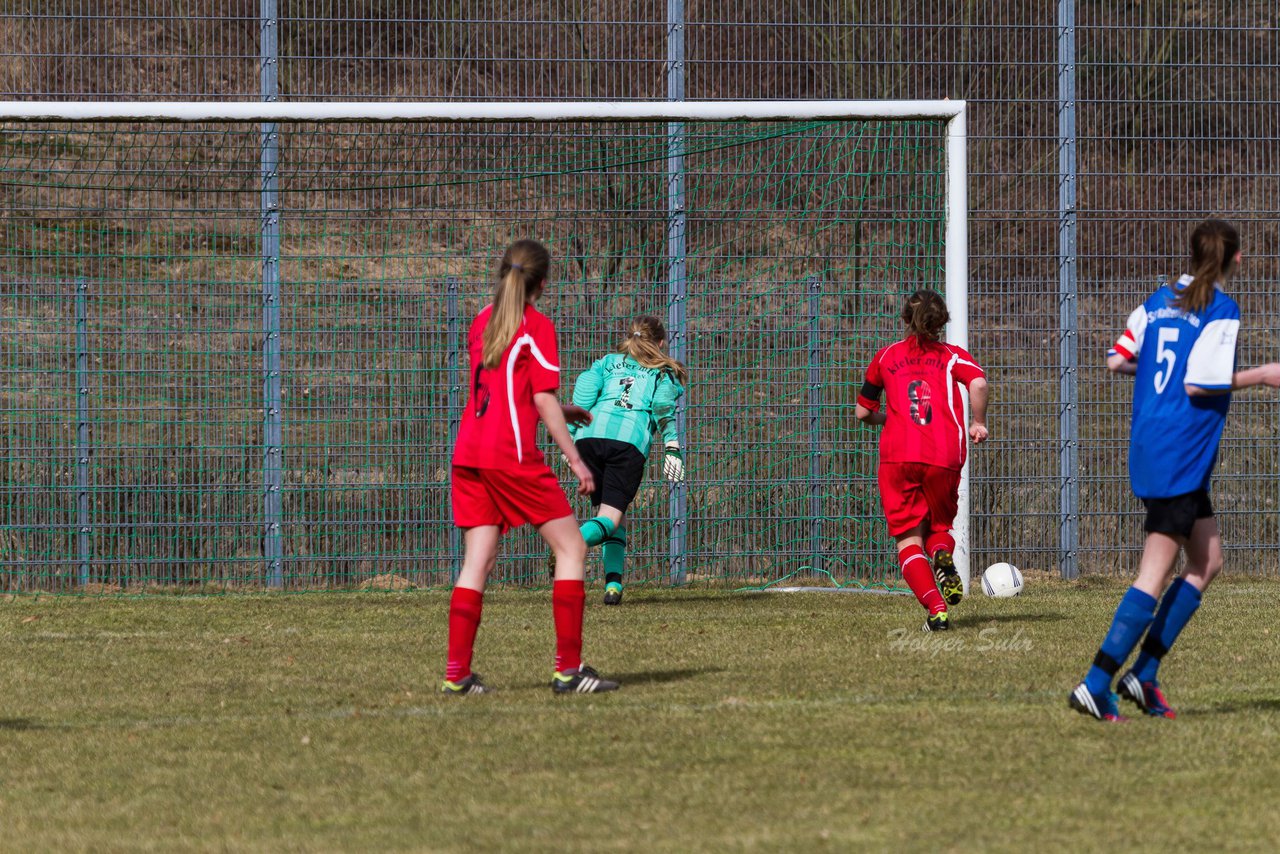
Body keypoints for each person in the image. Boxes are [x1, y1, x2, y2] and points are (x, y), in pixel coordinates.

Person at [1070, 218, 1280, 722]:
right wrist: (1265, 375)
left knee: (1207, 562)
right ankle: (1096, 682)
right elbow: (1198, 384)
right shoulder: (1220, 308)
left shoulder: (1157, 301)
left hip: (1153, 442)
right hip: (1180, 450)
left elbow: (1117, 361)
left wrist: (1158, 381)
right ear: (1236, 259)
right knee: (1154, 572)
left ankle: (1144, 675)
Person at [443, 238, 620, 696]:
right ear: (543, 283)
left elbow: (506, 392)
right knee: (571, 550)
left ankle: (457, 675)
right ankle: (569, 670)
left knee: (477, 560)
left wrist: (561, 410)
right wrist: (576, 459)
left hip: (469, 453)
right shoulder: (536, 326)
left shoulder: (483, 319)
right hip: (510, 456)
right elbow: (537, 397)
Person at [854, 289, 990, 632]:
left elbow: (861, 412)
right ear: (940, 323)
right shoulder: (951, 356)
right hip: (945, 454)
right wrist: (978, 421)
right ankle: (943, 555)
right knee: (939, 528)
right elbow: (978, 383)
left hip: (899, 456)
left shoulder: (886, 357)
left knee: (908, 540)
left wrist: (888, 419)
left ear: (905, 319)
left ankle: (936, 609)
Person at [566, 315, 687, 605]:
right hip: (626, 443)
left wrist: (570, 437)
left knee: (612, 518)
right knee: (609, 517)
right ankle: (568, 545)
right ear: (660, 343)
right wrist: (672, 445)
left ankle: (613, 586)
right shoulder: (662, 370)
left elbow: (584, 391)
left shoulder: (608, 361)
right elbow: (661, 405)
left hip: (589, 439)